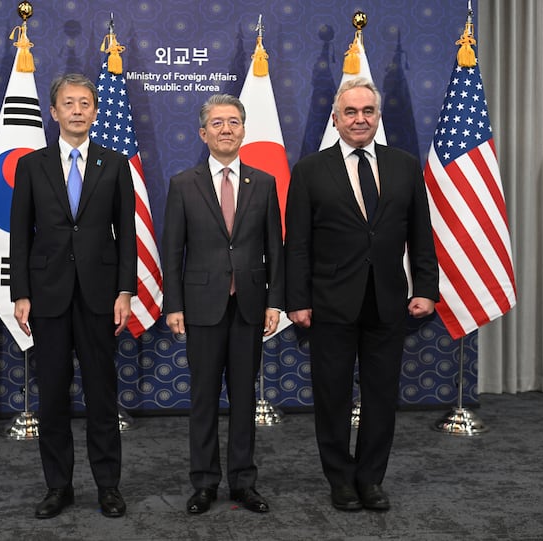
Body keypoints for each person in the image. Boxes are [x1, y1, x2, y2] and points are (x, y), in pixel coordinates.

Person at [284, 77, 439, 512]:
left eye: (367, 112)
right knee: (331, 397)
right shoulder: (311, 170)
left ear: (378, 117)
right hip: (330, 303)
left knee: (381, 397)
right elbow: (296, 244)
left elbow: (421, 235)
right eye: (350, 112)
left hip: (387, 302)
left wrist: (426, 288)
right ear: (336, 119)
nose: (359, 119)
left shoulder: (405, 166)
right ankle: (340, 481)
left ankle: (371, 480)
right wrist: (298, 299)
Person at [10, 73, 136, 519]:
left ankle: (108, 486)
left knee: (103, 394)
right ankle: (58, 486)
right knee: (54, 398)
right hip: (46, 297)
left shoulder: (115, 164)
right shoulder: (31, 165)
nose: (78, 110)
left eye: (85, 102)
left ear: (96, 112)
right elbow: (20, 237)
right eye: (69, 103)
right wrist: (21, 292)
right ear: (55, 111)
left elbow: (127, 236)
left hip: (101, 297)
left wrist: (126, 291)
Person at [162, 94, 284, 515]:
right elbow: (172, 250)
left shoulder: (264, 183)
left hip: (250, 306)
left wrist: (275, 302)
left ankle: (243, 483)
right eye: (217, 123)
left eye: (233, 121)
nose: (226, 129)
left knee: (245, 400)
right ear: (203, 133)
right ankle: (204, 483)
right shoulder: (182, 184)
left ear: (244, 130)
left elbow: (276, 250)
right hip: (200, 306)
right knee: (203, 398)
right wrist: (173, 305)